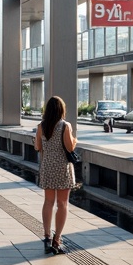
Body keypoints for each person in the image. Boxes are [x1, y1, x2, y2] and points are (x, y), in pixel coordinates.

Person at [35, 95, 76, 255]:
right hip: (62, 168)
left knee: (48, 202)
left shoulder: (41, 126)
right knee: (62, 204)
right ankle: (57, 240)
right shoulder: (65, 126)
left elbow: (38, 146)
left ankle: (46, 236)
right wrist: (75, 140)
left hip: (47, 167)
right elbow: (70, 147)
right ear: (61, 110)